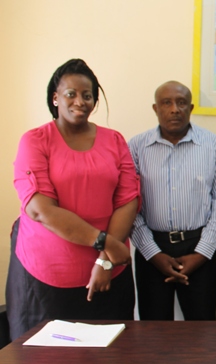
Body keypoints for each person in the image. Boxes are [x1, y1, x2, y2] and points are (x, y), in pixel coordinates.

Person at [7, 59, 139, 340]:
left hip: (108, 274)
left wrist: (105, 261)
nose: (80, 101)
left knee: (113, 361)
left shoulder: (114, 140)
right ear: (55, 98)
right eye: (71, 94)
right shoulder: (35, 141)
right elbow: (41, 210)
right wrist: (106, 243)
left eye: (87, 95)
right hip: (45, 278)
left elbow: (128, 199)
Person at [129, 81, 216, 320]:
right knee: (153, 330)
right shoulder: (136, 147)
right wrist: (152, 253)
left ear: (191, 108)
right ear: (156, 109)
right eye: (167, 103)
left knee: (203, 329)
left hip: (200, 247)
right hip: (151, 249)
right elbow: (129, 206)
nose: (174, 109)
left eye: (181, 102)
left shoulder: (214, 145)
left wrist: (202, 254)